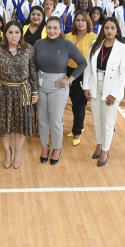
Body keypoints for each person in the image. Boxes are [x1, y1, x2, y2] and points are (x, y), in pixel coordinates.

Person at [35, 17, 87, 165]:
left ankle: (57, 148)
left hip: (59, 85)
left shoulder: (67, 44)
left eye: (55, 28)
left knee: (56, 120)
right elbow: (33, 65)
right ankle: (44, 147)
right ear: (46, 28)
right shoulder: (39, 44)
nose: (52, 31)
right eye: (49, 28)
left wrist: (69, 79)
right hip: (40, 83)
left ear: (61, 29)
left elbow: (83, 63)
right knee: (42, 119)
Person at [0, 21, 39, 169]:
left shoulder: (28, 49)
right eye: (10, 32)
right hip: (3, 90)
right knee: (4, 124)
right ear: (5, 33)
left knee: (20, 124)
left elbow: (33, 72)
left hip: (23, 91)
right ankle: (7, 151)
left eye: (17, 32)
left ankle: (17, 152)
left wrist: (34, 92)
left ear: (21, 34)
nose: (13, 35)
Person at [83, 18, 125, 166]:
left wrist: (115, 93)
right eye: (107, 28)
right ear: (103, 29)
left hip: (112, 88)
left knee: (108, 122)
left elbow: (124, 74)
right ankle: (99, 144)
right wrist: (86, 86)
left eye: (112, 28)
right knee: (96, 119)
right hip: (95, 85)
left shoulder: (123, 47)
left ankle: (105, 150)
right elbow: (88, 68)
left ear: (117, 30)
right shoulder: (95, 45)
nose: (109, 31)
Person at [65, 11, 97, 145]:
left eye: (83, 20)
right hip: (68, 72)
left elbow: (93, 60)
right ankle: (79, 126)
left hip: (83, 73)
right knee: (73, 101)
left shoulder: (93, 37)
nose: (80, 23)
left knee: (79, 104)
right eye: (78, 20)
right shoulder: (68, 36)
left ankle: (77, 131)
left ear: (88, 22)